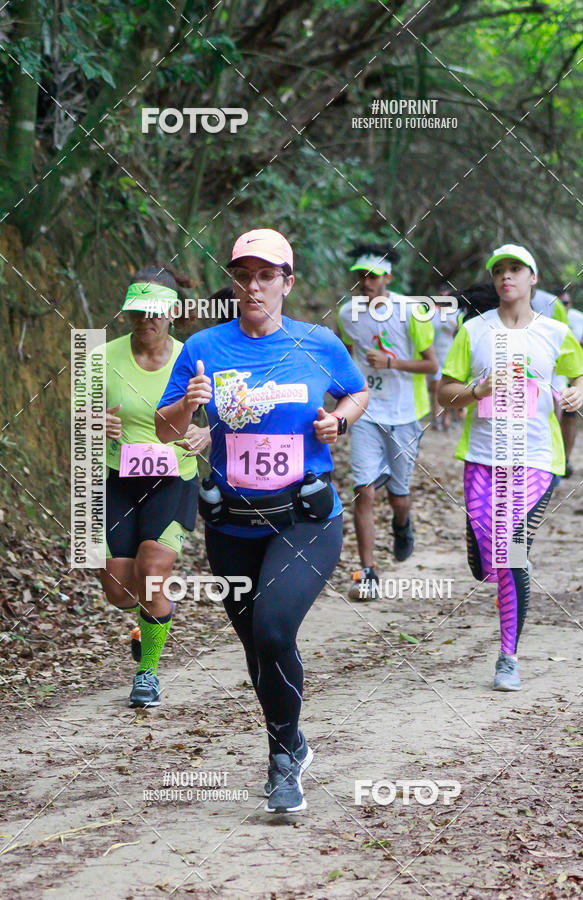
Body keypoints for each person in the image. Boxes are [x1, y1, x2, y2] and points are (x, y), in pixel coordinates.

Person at [155, 229, 368, 813]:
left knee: (273, 629)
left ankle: (280, 762)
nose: (254, 285)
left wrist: (339, 422)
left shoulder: (318, 343)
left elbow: (356, 392)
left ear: (286, 283)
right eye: (243, 274)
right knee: (256, 646)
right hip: (231, 523)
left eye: (266, 275)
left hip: (304, 517)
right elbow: (165, 429)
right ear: (233, 282)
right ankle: (293, 740)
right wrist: (188, 404)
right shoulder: (203, 347)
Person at [439, 244, 583, 690]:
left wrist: (578, 393)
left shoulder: (555, 331)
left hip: (537, 457)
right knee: (489, 555)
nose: (506, 276)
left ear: (533, 279)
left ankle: (508, 657)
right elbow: (445, 392)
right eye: (499, 270)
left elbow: (581, 375)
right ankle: (480, 542)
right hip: (484, 457)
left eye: (516, 269)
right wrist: (478, 390)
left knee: (513, 552)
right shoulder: (474, 330)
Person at [99, 265, 210, 708]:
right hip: (119, 479)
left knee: (153, 570)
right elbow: (78, 417)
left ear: (172, 313)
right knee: (119, 590)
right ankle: (147, 625)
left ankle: (147, 673)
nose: (145, 320)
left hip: (174, 477)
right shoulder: (102, 356)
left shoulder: (193, 357)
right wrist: (93, 422)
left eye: (155, 312)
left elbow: (227, 416)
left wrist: (207, 434)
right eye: (137, 312)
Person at [337, 243, 437, 600]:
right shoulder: (347, 314)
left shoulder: (411, 312)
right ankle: (367, 572)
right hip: (365, 411)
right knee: (363, 490)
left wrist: (391, 363)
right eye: (360, 276)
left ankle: (402, 524)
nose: (366, 282)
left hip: (405, 413)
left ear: (388, 278)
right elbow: (348, 357)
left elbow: (431, 365)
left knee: (398, 496)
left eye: (373, 276)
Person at [559, 290, 583, 476]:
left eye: (566, 302)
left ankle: (566, 459)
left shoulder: (580, 318)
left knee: (569, 418)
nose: (564, 306)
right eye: (560, 303)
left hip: (573, 375)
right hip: (554, 378)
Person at [428, 283, 459, 430]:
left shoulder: (456, 314)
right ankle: (436, 417)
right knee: (435, 387)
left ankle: (446, 416)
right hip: (435, 354)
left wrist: (456, 326)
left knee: (447, 388)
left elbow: (462, 332)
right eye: (441, 296)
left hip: (450, 355)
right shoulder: (431, 314)